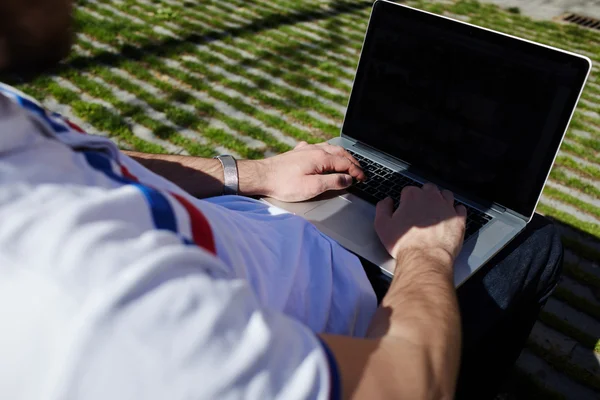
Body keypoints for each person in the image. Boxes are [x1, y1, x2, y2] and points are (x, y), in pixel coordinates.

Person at [0, 1, 562, 399]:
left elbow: (103, 161)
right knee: (536, 245)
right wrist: (424, 255)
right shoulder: (89, 306)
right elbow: (409, 387)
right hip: (360, 323)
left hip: (281, 220)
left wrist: (252, 173)